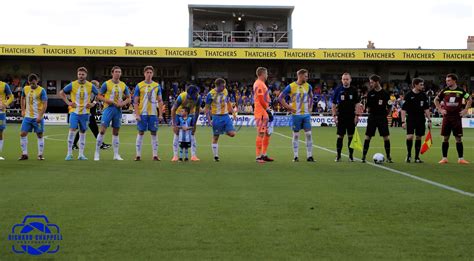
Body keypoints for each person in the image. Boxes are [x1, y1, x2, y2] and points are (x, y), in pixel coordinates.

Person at [59, 67, 99, 160]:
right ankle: (69, 154)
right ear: (77, 75)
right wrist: (68, 102)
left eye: (83, 74)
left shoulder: (90, 85)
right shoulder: (72, 84)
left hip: (85, 113)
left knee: (83, 132)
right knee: (72, 130)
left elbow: (99, 94)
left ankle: (81, 154)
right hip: (74, 112)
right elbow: (61, 93)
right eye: (79, 74)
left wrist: (93, 103)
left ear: (86, 75)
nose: (81, 76)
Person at [94, 66, 131, 161]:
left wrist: (122, 103)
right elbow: (98, 96)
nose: (118, 73)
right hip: (108, 109)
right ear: (112, 73)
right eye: (116, 72)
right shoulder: (106, 84)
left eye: (119, 72)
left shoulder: (123, 85)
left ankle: (116, 155)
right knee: (102, 131)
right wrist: (108, 101)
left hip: (118, 110)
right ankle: (97, 153)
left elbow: (129, 98)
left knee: (116, 132)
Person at [434, 73, 472, 164]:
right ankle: (444, 158)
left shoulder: (460, 91)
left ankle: (461, 159)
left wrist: (465, 110)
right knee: (445, 138)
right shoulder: (444, 91)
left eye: (449, 80)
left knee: (458, 138)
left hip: (456, 117)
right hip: (447, 117)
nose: (447, 82)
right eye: (446, 80)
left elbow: (469, 99)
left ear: (454, 80)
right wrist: (440, 110)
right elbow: (436, 100)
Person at [278, 69, 314, 162]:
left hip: (306, 115)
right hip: (296, 115)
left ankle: (309, 156)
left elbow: (311, 97)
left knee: (309, 134)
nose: (307, 78)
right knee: (296, 135)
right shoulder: (291, 86)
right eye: (305, 76)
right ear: (300, 76)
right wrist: (288, 107)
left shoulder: (308, 86)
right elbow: (280, 98)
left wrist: (310, 107)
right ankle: (296, 156)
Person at [133, 65, 164, 161]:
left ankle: (155, 155)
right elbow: (135, 102)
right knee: (141, 132)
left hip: (153, 114)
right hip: (143, 113)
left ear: (153, 74)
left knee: (154, 132)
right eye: (147, 72)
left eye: (151, 72)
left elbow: (160, 101)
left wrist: (160, 114)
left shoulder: (157, 86)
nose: (149, 74)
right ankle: (138, 155)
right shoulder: (139, 85)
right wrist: (137, 114)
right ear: (144, 73)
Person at [361, 74, 393, 163]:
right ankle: (363, 156)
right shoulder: (370, 93)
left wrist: (386, 114)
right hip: (372, 117)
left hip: (382, 118)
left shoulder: (385, 94)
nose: (370, 84)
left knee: (386, 137)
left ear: (377, 82)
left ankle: (388, 157)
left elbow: (390, 106)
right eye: (370, 82)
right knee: (368, 136)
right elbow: (367, 107)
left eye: (372, 82)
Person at [72, 80, 111, 151]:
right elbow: (89, 103)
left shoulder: (92, 93)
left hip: (89, 114)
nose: (98, 87)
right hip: (88, 114)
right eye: (97, 86)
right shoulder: (90, 93)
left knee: (86, 129)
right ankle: (101, 144)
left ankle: (74, 144)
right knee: (93, 130)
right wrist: (94, 102)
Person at [204, 78, 236, 162]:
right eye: (223, 86)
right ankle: (215, 156)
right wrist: (208, 120)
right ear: (218, 86)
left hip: (225, 116)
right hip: (216, 117)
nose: (224, 87)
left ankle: (223, 130)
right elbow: (206, 109)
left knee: (232, 134)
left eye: (225, 86)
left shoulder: (225, 91)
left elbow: (228, 102)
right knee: (216, 137)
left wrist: (233, 112)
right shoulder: (210, 94)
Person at [401, 78, 432, 163]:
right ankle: (409, 155)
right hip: (411, 118)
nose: (423, 86)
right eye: (421, 84)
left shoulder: (423, 95)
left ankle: (417, 157)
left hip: (421, 119)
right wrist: (403, 121)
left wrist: (429, 120)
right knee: (410, 137)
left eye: (423, 84)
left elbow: (426, 108)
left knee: (419, 137)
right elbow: (403, 109)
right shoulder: (408, 95)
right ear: (415, 85)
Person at [331, 72, 361, 162]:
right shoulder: (338, 89)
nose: (345, 81)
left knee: (350, 136)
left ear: (350, 80)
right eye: (344, 79)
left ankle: (351, 156)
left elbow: (357, 103)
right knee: (340, 136)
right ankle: (338, 155)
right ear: (341, 80)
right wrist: (334, 116)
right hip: (341, 116)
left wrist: (357, 115)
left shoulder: (354, 90)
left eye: (347, 79)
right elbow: (333, 104)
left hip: (351, 116)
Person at [19, 74, 48, 160]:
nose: (32, 85)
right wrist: (23, 110)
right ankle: (24, 154)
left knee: (39, 134)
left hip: (37, 117)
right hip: (27, 117)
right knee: (22, 134)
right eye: (31, 83)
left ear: (37, 81)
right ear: (28, 82)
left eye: (34, 83)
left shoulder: (42, 90)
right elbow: (22, 98)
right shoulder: (25, 89)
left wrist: (40, 115)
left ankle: (40, 155)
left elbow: (45, 104)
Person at [170, 85, 201, 162]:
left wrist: (194, 124)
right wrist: (174, 125)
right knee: (177, 133)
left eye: (194, 96)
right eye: (190, 97)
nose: (192, 99)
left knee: (192, 133)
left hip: (191, 114)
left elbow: (197, 110)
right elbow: (173, 109)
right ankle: (175, 155)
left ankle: (193, 155)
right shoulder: (181, 97)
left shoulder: (198, 98)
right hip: (179, 114)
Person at [253, 67, 274, 163]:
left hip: (264, 111)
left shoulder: (261, 84)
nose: (267, 75)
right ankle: (258, 157)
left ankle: (264, 155)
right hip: (261, 112)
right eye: (266, 73)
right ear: (262, 74)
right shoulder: (259, 84)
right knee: (261, 133)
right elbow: (261, 99)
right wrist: (267, 110)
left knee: (267, 133)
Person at [0, 80, 14, 160]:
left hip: (1, 113)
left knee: (0, 132)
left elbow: (11, 97)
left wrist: (5, 104)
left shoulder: (4, 85)